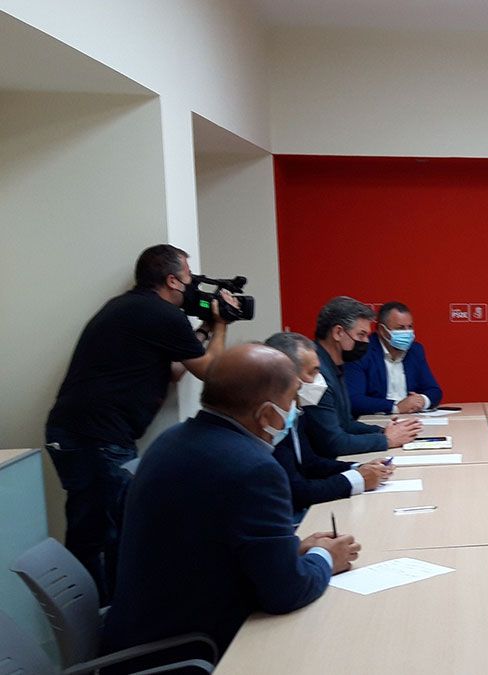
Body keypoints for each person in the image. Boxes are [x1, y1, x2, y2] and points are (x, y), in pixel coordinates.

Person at [102, 344, 360, 657]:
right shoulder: (254, 468)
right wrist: (325, 557)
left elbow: (207, 543)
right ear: (265, 413)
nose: (297, 409)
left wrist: (291, 548)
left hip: (140, 630)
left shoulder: (171, 439)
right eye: (292, 399)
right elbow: (287, 592)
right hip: (193, 646)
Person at [43, 244, 234, 601]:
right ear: (173, 280)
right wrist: (221, 325)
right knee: (100, 536)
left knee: (106, 530)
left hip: (85, 434)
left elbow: (177, 371)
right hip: (94, 438)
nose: (193, 287)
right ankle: (99, 631)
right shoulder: (161, 315)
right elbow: (212, 372)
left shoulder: (133, 309)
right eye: (190, 279)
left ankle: (109, 617)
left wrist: (207, 327)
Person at [265, 332, 394, 522]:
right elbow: (297, 491)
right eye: (313, 372)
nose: (319, 380)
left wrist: (358, 468)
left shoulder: (294, 411)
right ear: (285, 376)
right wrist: (357, 480)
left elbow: (310, 464)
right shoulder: (271, 420)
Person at [304, 296, 421, 458]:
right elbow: (333, 442)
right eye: (361, 335)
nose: (366, 342)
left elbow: (345, 424)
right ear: (338, 332)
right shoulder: (315, 374)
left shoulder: (334, 366)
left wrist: (384, 431)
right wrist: (386, 440)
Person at [345, 302, 444, 416]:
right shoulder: (363, 350)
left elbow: (434, 390)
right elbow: (354, 399)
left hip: (412, 419)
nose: (407, 333)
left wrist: (422, 400)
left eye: (410, 327)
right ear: (382, 330)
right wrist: (396, 407)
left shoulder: (415, 350)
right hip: (375, 422)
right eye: (400, 328)